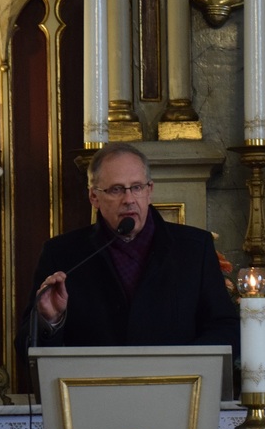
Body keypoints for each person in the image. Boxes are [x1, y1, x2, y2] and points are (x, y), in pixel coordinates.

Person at [15, 142, 239, 362]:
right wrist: (49, 320)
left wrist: (177, 364)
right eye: (116, 189)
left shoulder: (194, 247)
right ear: (94, 197)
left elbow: (226, 330)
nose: (129, 199)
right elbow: (25, 350)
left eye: (137, 187)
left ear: (149, 191)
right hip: (94, 391)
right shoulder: (63, 254)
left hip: (175, 390)